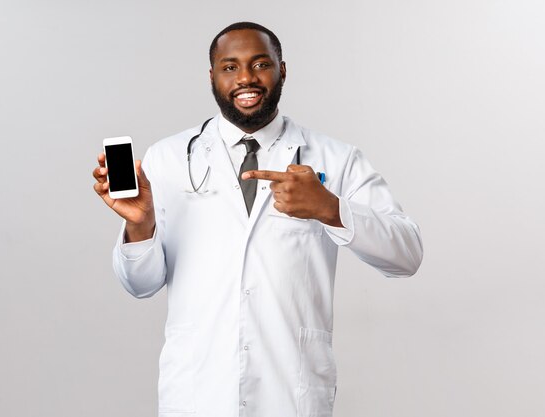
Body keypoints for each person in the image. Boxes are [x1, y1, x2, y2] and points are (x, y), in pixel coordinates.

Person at [93, 21, 423, 417]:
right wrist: (140, 226)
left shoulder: (336, 159)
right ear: (212, 75)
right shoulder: (167, 159)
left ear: (283, 70)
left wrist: (330, 209)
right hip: (198, 394)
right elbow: (140, 285)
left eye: (260, 64)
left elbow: (407, 255)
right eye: (230, 67)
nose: (246, 78)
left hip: (290, 394)